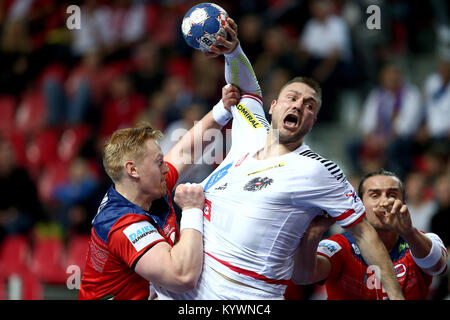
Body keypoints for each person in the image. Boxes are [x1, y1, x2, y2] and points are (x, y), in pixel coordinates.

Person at [155, 18, 405, 300]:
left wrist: (396, 296)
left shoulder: (317, 170)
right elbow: (246, 88)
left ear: (312, 120)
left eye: (309, 105)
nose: (299, 105)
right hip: (185, 287)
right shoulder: (251, 126)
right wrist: (233, 50)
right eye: (292, 98)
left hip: (240, 296)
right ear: (273, 106)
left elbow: (364, 234)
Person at [78, 81, 240, 299]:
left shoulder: (146, 188)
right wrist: (192, 209)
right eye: (158, 162)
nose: (166, 168)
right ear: (133, 170)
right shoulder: (122, 224)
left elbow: (185, 152)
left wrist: (222, 110)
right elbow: (183, 276)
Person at [290, 169, 447, 300]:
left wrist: (408, 233)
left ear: (404, 203)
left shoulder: (422, 240)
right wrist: (313, 234)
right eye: (375, 195)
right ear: (359, 204)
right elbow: (302, 276)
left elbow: (439, 267)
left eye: (392, 195)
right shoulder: (339, 245)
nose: (384, 202)